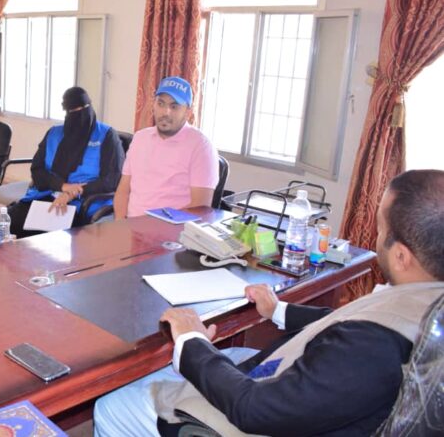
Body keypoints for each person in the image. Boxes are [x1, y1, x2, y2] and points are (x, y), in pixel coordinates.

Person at [94, 169, 444, 436]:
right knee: (224, 356)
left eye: (381, 228)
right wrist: (279, 310)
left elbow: (253, 410)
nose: (377, 236)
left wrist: (192, 340)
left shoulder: (371, 348)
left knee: (112, 404)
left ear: (401, 256)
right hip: (309, 396)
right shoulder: (426, 306)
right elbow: (348, 321)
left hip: (260, 417)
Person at [7, 87, 124, 238]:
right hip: (45, 195)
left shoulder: (106, 136)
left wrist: (73, 193)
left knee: (49, 239)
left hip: (83, 203)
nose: (79, 115)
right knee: (6, 223)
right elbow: (37, 170)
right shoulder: (54, 133)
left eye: (83, 109)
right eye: (73, 111)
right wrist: (63, 186)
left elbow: (111, 180)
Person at [113, 76, 218, 219]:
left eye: (174, 106)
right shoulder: (140, 138)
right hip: (130, 225)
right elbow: (123, 191)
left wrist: (157, 229)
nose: (165, 112)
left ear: (187, 112)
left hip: (172, 230)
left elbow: (200, 208)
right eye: (161, 103)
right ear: (153, 105)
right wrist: (120, 223)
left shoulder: (201, 146)